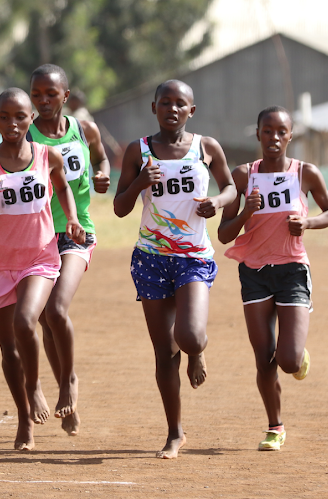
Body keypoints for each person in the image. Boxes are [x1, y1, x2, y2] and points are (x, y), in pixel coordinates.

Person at [113, 79, 236, 459]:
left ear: (191, 111)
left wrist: (215, 202)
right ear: (154, 108)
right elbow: (119, 206)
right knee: (164, 352)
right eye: (164, 103)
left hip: (194, 255)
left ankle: (197, 349)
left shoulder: (206, 147)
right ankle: (174, 432)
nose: (172, 109)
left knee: (191, 336)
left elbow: (231, 188)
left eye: (180, 104)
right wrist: (137, 184)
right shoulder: (139, 150)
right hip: (151, 256)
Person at [0, 87, 85, 450]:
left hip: (40, 256)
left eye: (20, 116)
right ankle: (24, 424)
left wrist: (74, 221)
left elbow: (63, 189)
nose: (12, 123)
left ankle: (40, 386)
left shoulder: (47, 156)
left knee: (26, 321)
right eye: (4, 116)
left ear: (31, 118)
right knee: (9, 349)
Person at [218, 106, 328, 451]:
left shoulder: (305, 172)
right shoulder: (243, 175)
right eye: (267, 131)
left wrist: (309, 223)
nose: (273, 138)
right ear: (257, 134)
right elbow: (225, 235)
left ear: (290, 135)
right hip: (254, 272)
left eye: (281, 132)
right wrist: (246, 212)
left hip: (292, 270)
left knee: (287, 360)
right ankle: (275, 426)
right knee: (263, 357)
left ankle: (298, 355)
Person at [28, 64, 110, 436]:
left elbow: (101, 158)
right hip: (39, 236)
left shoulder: (83, 128)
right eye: (37, 95)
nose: (43, 101)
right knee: (45, 318)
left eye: (51, 94)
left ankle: (67, 382)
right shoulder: (25, 137)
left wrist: (102, 174)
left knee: (57, 308)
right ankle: (68, 388)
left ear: (66, 95)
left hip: (78, 233)